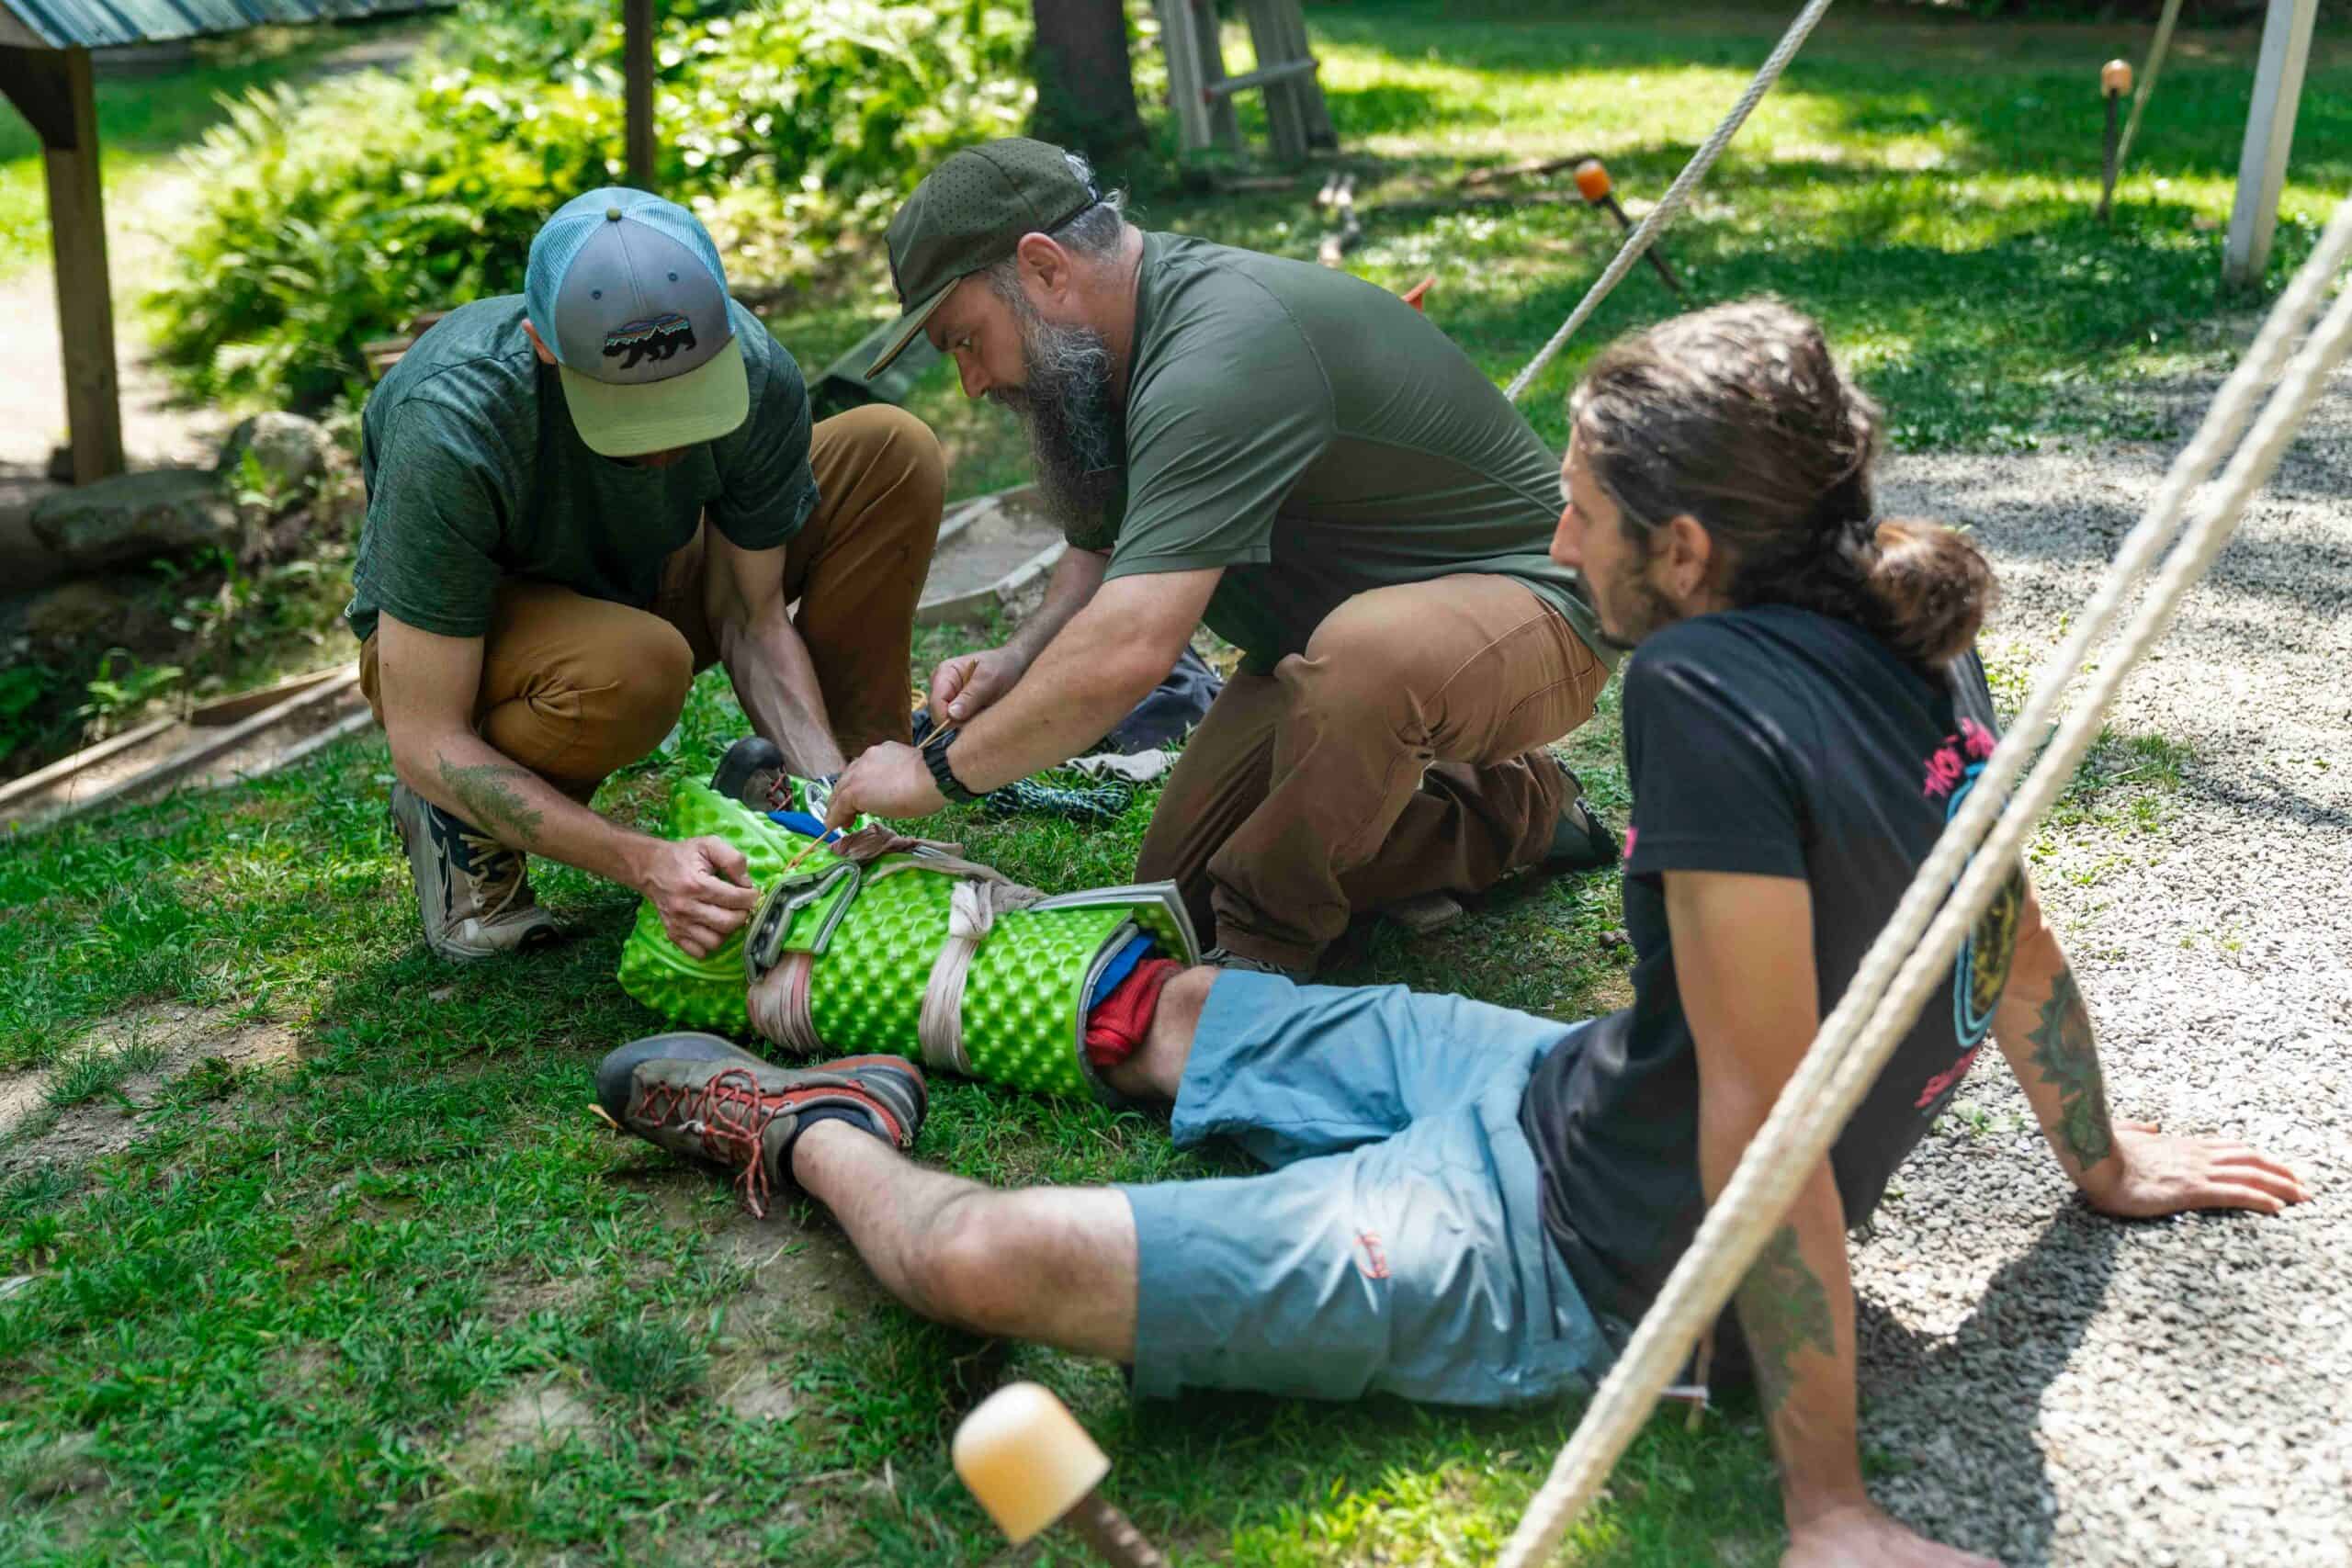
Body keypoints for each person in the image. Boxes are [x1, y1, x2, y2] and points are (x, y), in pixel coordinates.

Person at [597, 300, 2309, 1565]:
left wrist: (1831, 1506)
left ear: (1690, 548)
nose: (1552, 540)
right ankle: (868, 977)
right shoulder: (1910, 598)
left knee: (975, 1261)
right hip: (1567, 1079)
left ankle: (816, 1126)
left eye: (1580, 514)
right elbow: (1997, 919)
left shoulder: (1707, 689)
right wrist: (2100, 1153)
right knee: (1181, 998)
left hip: (1564, 1243)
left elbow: (1770, 1118)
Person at [820, 138, 1620, 976]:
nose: (972, 384)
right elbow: (1098, 552)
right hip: (1320, 642)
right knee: (1179, 889)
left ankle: (1261, 961)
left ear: (1045, 267)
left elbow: (1134, 645)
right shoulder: (1108, 354)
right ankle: (1516, 809)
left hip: (1535, 608)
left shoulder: (1216, 351)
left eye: (965, 341)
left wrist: (932, 773)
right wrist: (1018, 661)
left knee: (1360, 678)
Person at [350, 187, 944, 963]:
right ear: (542, 346)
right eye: (630, 407)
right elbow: (425, 734)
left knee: (888, 451)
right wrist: (646, 862)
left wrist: (828, 787)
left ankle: (846, 813)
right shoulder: (456, 419)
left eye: (687, 395)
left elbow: (750, 615)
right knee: (635, 666)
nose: (665, 442)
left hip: (648, 575)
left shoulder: (756, 370)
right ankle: (459, 824)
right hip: (469, 651)